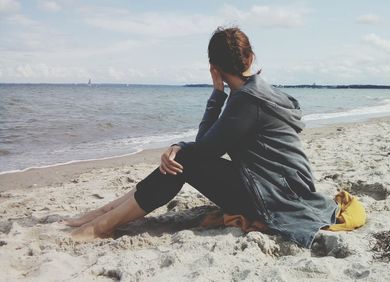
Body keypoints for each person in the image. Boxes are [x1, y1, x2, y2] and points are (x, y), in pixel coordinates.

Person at [64, 26, 337, 248]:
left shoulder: (245, 100)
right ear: (250, 58)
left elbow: (205, 148)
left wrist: (215, 95)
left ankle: (102, 226)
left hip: (276, 198)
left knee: (182, 160)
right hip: (288, 188)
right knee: (181, 157)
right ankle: (106, 214)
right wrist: (183, 145)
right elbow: (209, 144)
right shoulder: (265, 92)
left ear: (214, 68)